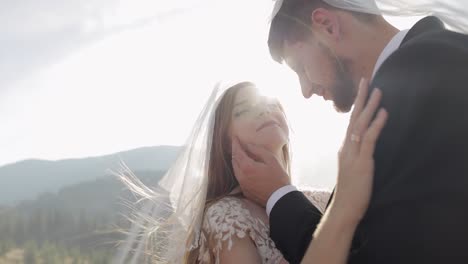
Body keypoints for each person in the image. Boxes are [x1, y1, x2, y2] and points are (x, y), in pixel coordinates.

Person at [232, 0, 468, 263]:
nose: (305, 91)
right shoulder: (432, 63)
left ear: (327, 26)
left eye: (300, 67)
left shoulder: (422, 85)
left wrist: (278, 194)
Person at [113, 80, 386, 263]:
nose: (263, 112)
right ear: (223, 139)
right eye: (244, 111)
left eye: (271, 105)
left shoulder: (323, 198)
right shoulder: (227, 215)